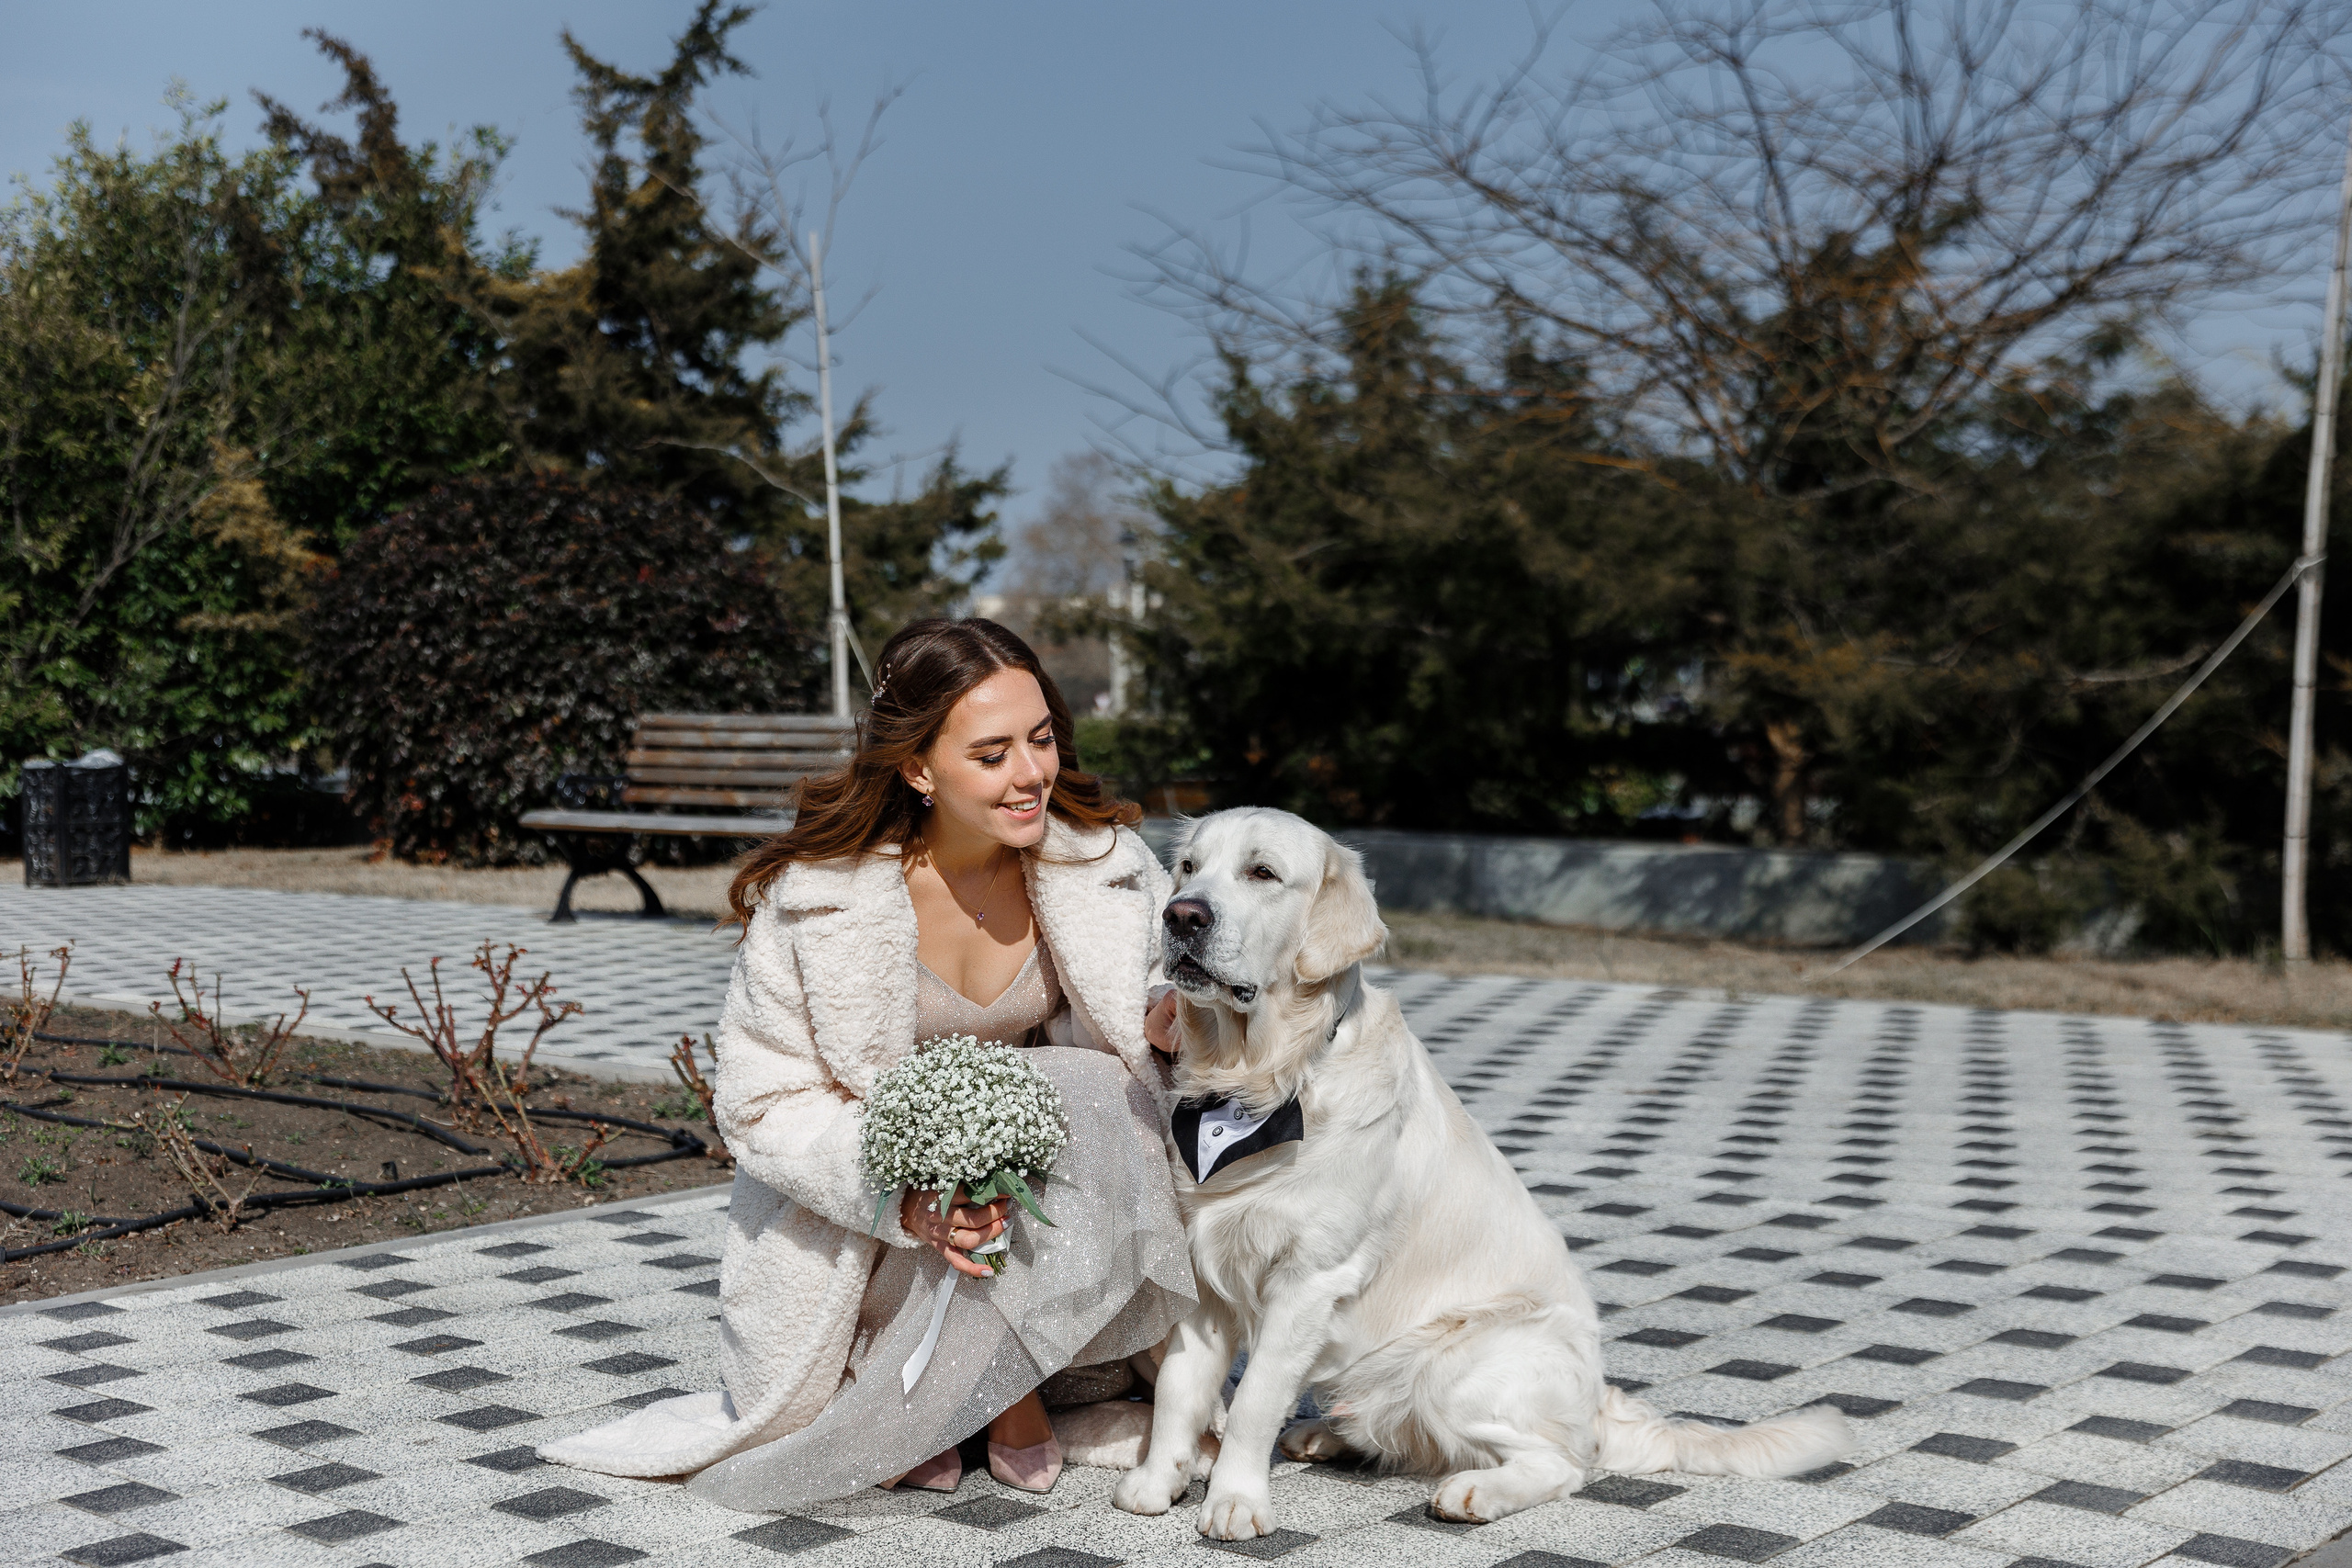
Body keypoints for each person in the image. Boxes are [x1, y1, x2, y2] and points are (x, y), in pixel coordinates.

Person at [538, 618, 1193, 1512]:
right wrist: (908, 1201)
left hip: (1051, 1201)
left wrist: (1172, 1026)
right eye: (992, 753)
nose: (1032, 773)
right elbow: (764, 1105)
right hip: (877, 1225)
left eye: (1041, 739)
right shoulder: (820, 897)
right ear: (919, 768)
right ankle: (959, 1387)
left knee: (1085, 1084)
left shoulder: (1102, 866)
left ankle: (979, 1395)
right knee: (999, 1132)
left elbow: (1155, 1016)